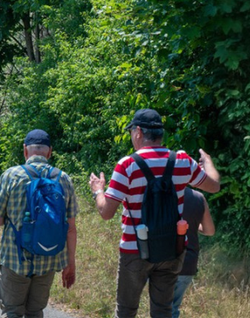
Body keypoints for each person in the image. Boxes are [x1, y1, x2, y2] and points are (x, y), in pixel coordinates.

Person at [88, 109, 222, 318]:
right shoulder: (182, 161)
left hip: (135, 250)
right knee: (163, 311)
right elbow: (214, 186)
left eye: (132, 131)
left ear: (139, 132)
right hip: (172, 249)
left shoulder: (127, 165)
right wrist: (208, 162)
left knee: (126, 311)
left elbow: (106, 212)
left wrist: (98, 191)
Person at [0, 129, 78, 318]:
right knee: (35, 312)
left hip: (15, 257)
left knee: (12, 312)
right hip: (49, 257)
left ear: (25, 150)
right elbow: (71, 228)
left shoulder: (11, 176)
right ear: (50, 152)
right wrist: (70, 263)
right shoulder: (63, 179)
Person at [171, 188, 214, 318]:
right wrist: (193, 226)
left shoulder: (158, 191)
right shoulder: (198, 197)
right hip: (187, 262)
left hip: (162, 262)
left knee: (161, 309)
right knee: (172, 309)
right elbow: (210, 230)